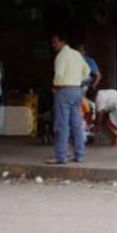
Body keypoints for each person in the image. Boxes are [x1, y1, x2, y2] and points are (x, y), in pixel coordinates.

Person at [46, 34, 90, 165]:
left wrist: (56, 86)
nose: (53, 45)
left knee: (62, 125)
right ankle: (80, 155)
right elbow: (87, 71)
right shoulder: (76, 54)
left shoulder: (61, 56)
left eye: (55, 42)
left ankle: (61, 156)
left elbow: (58, 75)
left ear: (62, 41)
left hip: (63, 91)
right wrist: (77, 81)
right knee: (76, 124)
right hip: (77, 91)